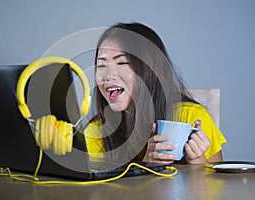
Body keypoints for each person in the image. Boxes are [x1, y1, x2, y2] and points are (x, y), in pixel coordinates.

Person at [83, 22, 226, 166]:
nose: (108, 76)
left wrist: (197, 161)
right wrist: (146, 167)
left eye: (121, 63)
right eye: (101, 65)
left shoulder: (191, 117)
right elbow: (95, 188)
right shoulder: (97, 130)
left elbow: (216, 185)